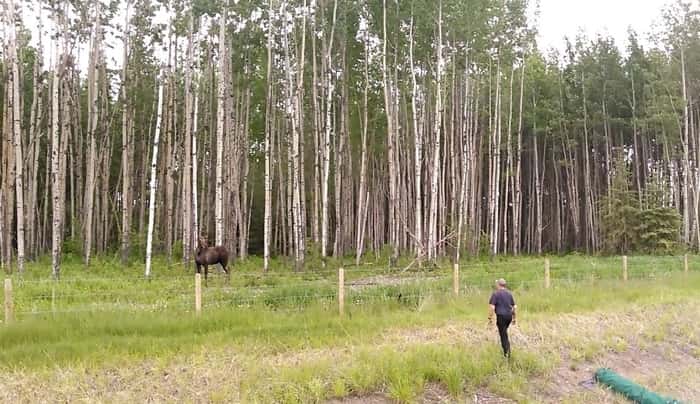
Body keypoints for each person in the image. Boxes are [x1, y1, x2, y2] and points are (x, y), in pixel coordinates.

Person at [488, 278, 517, 358]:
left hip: (501, 316)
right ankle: (507, 352)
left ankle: (507, 354)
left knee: (503, 335)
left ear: (498, 285)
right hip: (509, 316)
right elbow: (514, 307)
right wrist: (514, 318)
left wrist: (490, 318)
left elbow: (492, 307)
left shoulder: (495, 294)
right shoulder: (509, 294)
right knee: (504, 332)